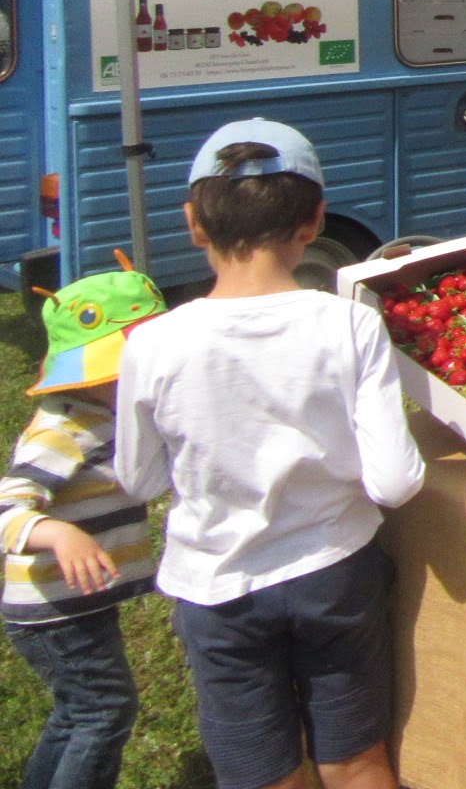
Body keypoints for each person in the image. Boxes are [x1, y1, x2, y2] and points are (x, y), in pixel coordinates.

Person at [116, 119, 424, 789]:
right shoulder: (352, 323)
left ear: (194, 223)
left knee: (264, 774)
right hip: (336, 574)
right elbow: (396, 483)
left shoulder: (151, 344)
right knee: (357, 760)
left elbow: (137, 480)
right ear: (314, 222)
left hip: (216, 589)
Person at [4, 270, 166, 789]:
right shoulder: (61, 430)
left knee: (78, 711)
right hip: (52, 608)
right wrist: (60, 534)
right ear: (87, 377)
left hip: (73, 602)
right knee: (105, 710)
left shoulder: (101, 415)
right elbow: (7, 506)